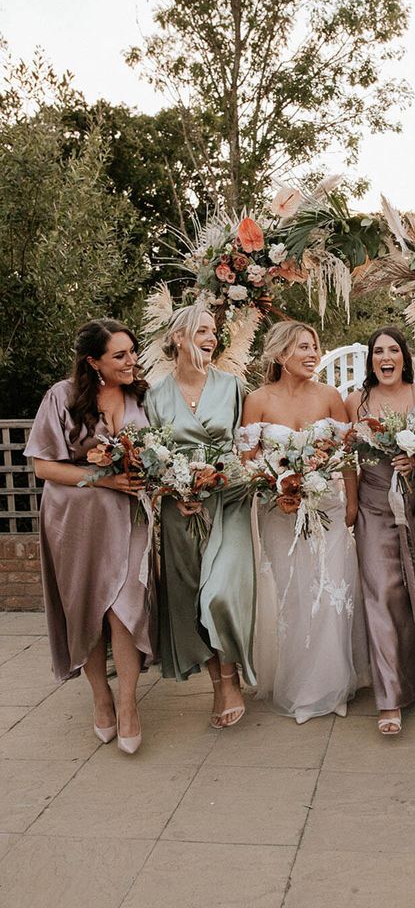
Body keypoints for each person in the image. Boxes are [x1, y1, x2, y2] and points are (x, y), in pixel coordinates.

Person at [25, 319, 155, 754]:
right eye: (120, 355)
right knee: (89, 610)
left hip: (131, 516)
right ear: (93, 362)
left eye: (132, 351)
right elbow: (44, 467)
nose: (131, 360)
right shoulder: (61, 397)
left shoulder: (141, 396)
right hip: (76, 520)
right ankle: (100, 697)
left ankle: (128, 702)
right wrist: (102, 481)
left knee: (125, 607)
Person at [242, 320, 370, 723]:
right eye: (303, 347)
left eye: (315, 346)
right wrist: (274, 486)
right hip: (278, 513)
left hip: (328, 507)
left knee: (331, 591)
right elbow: (246, 460)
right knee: (291, 594)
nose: (313, 353)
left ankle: (330, 686)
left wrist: (351, 500)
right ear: (281, 355)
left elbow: (346, 454)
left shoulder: (331, 396)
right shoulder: (258, 399)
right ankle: (297, 684)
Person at [144, 305, 255, 729]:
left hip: (229, 499)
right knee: (191, 598)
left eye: (213, 330)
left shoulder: (232, 386)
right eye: (201, 330)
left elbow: (248, 446)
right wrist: (175, 491)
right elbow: (152, 458)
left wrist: (232, 475)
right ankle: (221, 682)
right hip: (181, 507)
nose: (211, 337)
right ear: (177, 338)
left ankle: (231, 674)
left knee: (221, 592)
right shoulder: (155, 397)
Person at [345, 326, 415, 735]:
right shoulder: (355, 401)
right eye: (377, 351)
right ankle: (389, 698)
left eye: (393, 351)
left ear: (404, 357)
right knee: (381, 593)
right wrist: (351, 504)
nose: (385, 358)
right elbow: (347, 458)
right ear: (371, 360)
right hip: (373, 505)